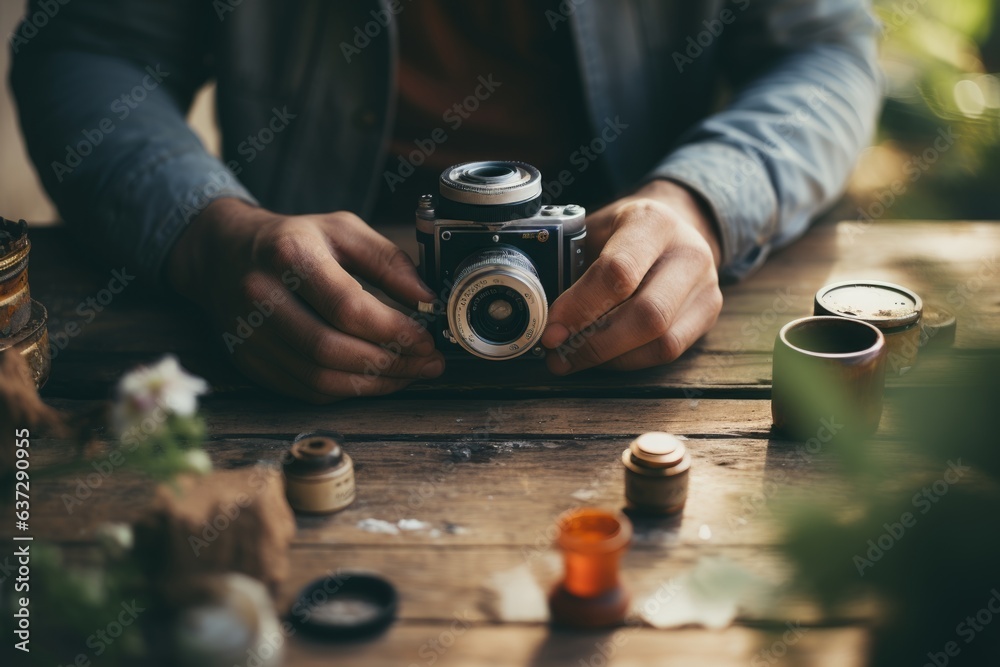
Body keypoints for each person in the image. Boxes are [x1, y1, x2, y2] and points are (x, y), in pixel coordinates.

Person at [10, 0, 880, 403]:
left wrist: (699, 201)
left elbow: (826, 49)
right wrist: (211, 235)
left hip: (629, 354)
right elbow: (82, 49)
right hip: (295, 341)